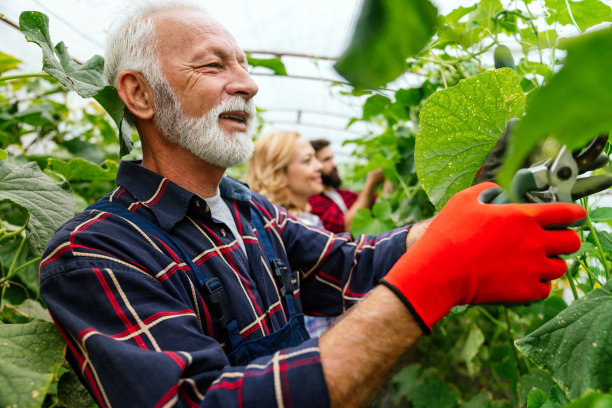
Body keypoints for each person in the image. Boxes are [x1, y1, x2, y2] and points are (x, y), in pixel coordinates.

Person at [38, 2, 586, 407]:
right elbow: (201, 401)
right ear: (139, 95)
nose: (248, 85)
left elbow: (356, 266)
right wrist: (429, 284)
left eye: (245, 66)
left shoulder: (249, 209)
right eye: (214, 66)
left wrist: (483, 202)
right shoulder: (94, 254)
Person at [247, 130, 336, 337]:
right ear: (278, 173)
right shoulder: (283, 230)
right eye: (307, 161)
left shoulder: (302, 220)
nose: (319, 166)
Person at [309, 138, 386, 233]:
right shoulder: (312, 201)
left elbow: (378, 204)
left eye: (332, 158)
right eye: (326, 159)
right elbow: (346, 227)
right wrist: (370, 183)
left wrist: (388, 176)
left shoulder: (342, 194)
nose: (334, 164)